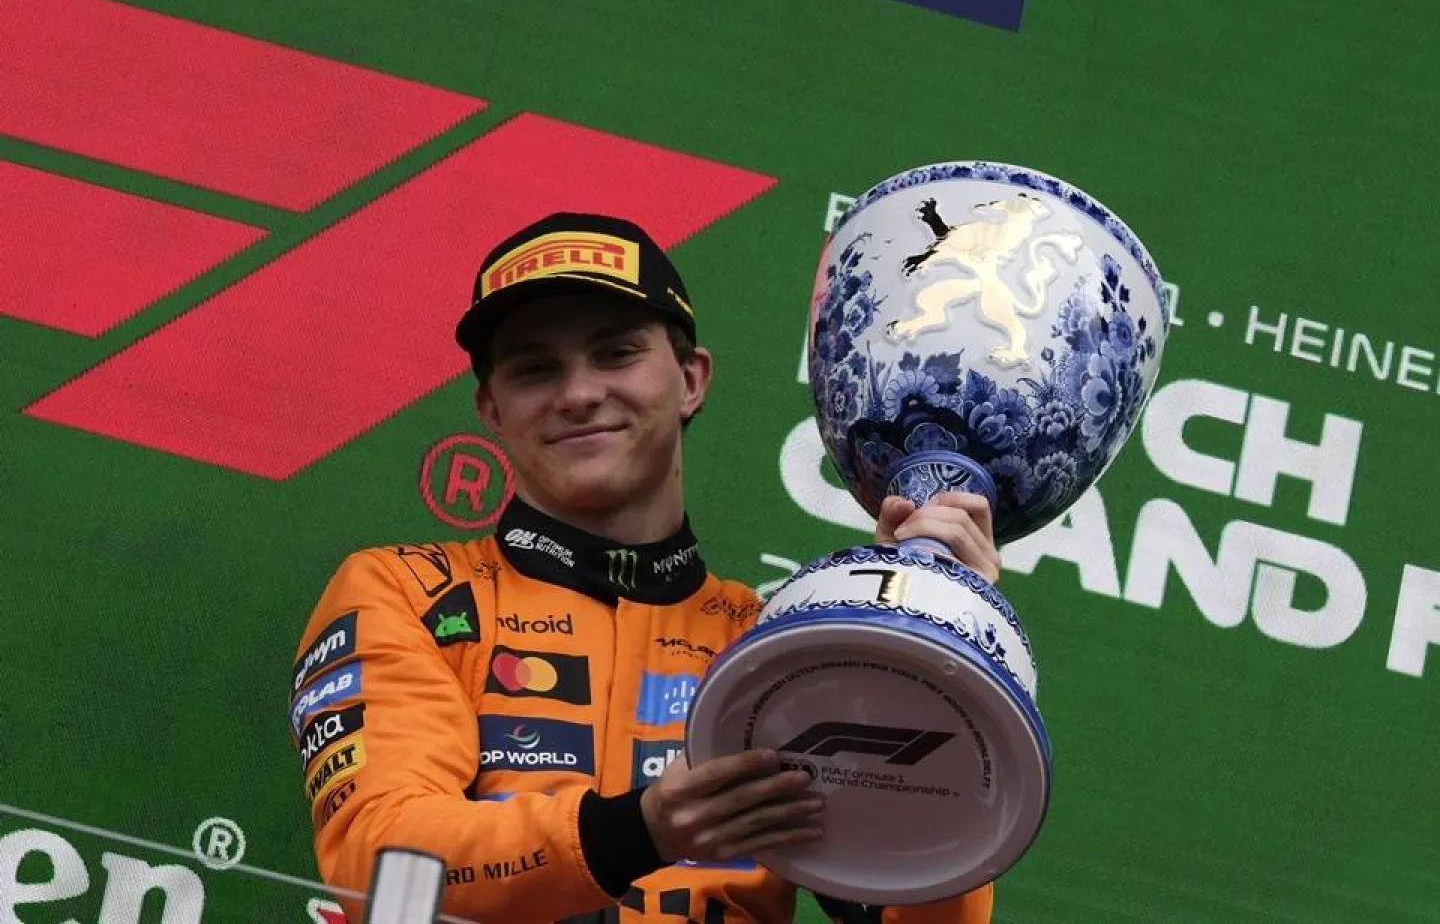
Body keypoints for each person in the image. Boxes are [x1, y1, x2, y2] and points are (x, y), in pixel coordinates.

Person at [290, 213, 1002, 923]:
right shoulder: (407, 593)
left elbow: (916, 899)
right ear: (492, 409)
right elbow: (382, 873)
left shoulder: (784, 644)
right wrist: (637, 832)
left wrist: (941, 657)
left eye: (616, 353)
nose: (578, 393)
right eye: (536, 369)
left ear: (691, 379)